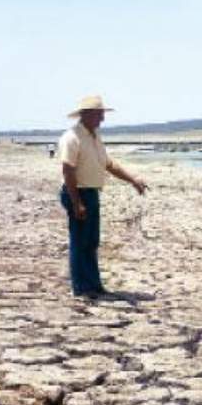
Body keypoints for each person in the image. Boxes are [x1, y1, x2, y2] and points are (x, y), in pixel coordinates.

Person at [58, 94, 148, 298]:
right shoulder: (71, 138)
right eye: (99, 114)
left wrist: (132, 179)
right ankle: (81, 287)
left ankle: (93, 284)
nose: (102, 119)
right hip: (78, 192)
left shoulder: (94, 136)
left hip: (91, 192)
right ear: (87, 115)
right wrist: (77, 202)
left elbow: (109, 164)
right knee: (80, 240)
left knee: (91, 241)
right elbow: (68, 171)